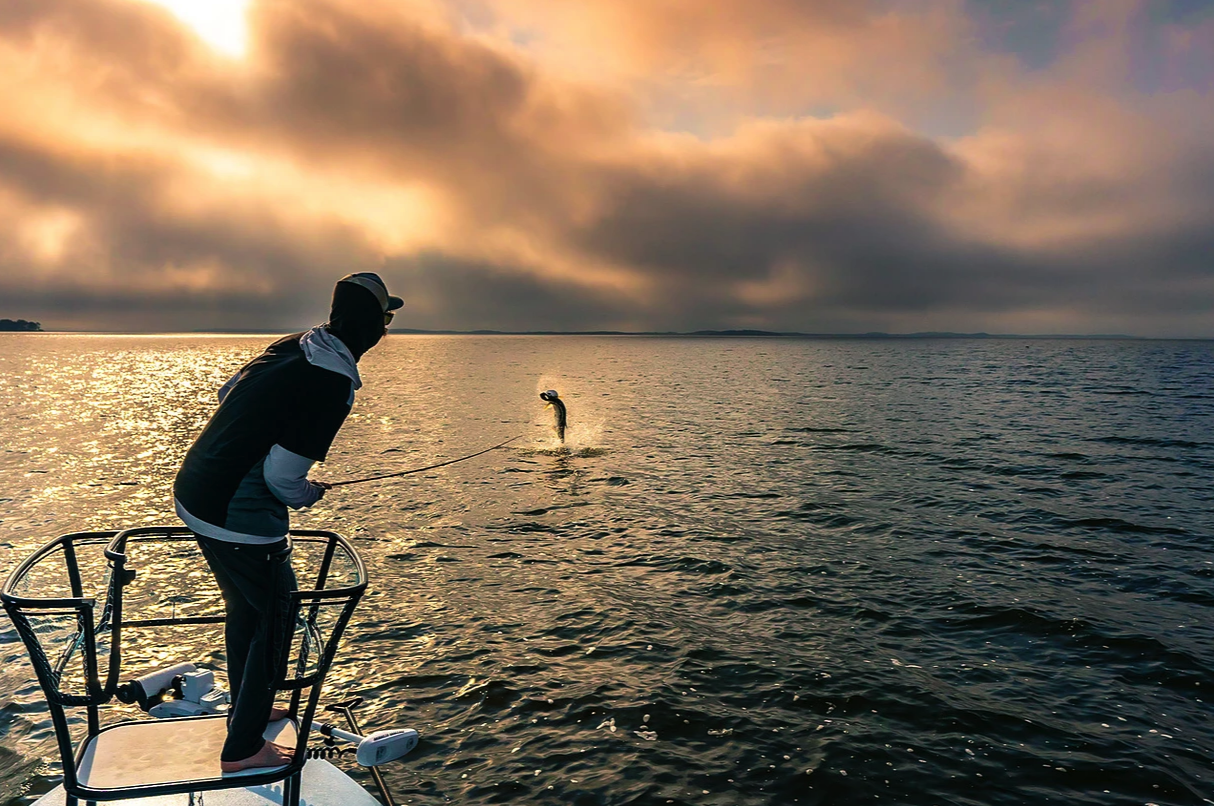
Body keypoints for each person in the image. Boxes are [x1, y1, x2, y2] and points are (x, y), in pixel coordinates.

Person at [173, 272, 403, 772]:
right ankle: (243, 750)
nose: (385, 330)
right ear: (371, 327)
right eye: (385, 320)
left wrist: (252, 446)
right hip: (240, 517)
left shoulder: (296, 344)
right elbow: (283, 476)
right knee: (277, 620)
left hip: (195, 492)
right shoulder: (334, 380)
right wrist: (305, 495)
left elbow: (226, 390)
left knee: (247, 613)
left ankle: (245, 713)